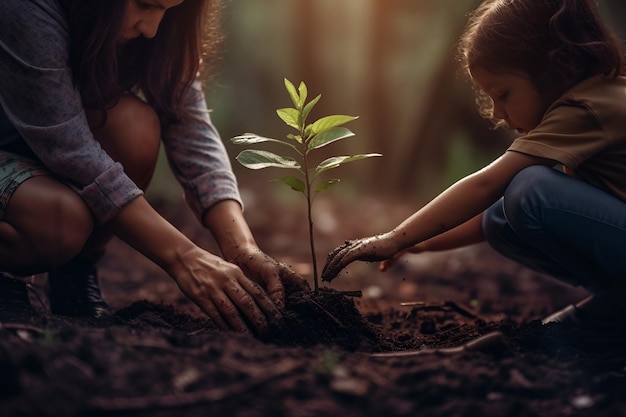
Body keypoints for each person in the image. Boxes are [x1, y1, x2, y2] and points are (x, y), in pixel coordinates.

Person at [0, 0, 307, 333]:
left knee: (135, 127)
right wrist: (183, 257)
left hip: (29, 144)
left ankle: (74, 272)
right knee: (60, 221)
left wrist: (241, 247)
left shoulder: (155, 33)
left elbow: (189, 124)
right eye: (145, 5)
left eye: (169, 10)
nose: (151, 29)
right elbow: (71, 149)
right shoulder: (25, 7)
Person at [323, 0, 626, 328]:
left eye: (504, 94)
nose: (497, 113)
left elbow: (485, 184)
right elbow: (487, 214)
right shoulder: (593, 98)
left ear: (553, 66)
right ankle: (614, 302)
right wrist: (418, 242)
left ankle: (611, 310)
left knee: (530, 190)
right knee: (500, 216)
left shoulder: (586, 109)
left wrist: (395, 237)